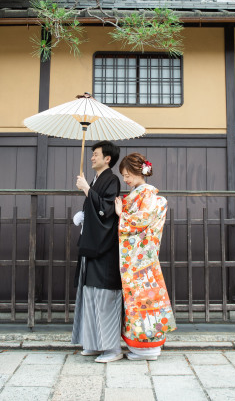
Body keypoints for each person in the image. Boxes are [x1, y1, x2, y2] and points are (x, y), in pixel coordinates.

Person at [114, 152, 176, 360]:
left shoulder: (146, 194)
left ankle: (146, 347)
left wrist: (121, 214)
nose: (125, 179)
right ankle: (144, 346)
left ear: (136, 171)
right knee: (143, 299)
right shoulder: (140, 193)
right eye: (123, 176)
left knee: (142, 300)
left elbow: (142, 220)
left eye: (126, 174)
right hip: (141, 257)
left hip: (140, 258)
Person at [71, 140, 124, 363]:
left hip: (105, 248)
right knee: (91, 294)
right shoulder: (97, 180)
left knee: (104, 297)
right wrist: (83, 215)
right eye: (91, 154)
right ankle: (93, 344)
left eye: (96, 154)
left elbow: (105, 211)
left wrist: (86, 189)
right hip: (93, 245)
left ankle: (112, 349)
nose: (92, 157)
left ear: (107, 159)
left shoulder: (111, 179)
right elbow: (95, 207)